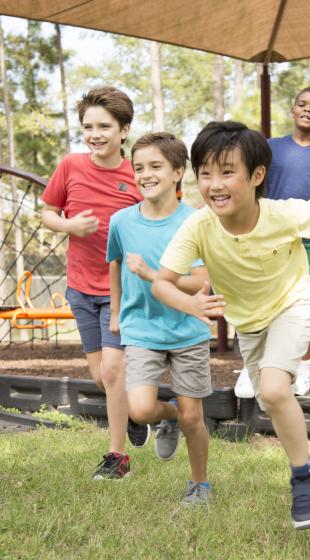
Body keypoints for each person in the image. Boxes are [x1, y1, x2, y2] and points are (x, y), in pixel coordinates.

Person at [152, 121, 310, 529]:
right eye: (204, 173)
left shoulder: (284, 213)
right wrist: (190, 302)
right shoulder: (199, 226)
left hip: (295, 302)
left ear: (257, 175)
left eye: (227, 172)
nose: (214, 184)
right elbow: (161, 283)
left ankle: (302, 483)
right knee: (270, 400)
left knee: (277, 388)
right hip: (250, 321)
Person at [41, 86, 149, 480]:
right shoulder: (70, 166)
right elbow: (48, 212)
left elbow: (161, 218)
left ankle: (117, 456)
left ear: (124, 130)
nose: (95, 133)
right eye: (88, 126)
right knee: (100, 375)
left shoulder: (139, 174)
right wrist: (69, 225)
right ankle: (136, 417)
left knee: (113, 371)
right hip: (80, 286)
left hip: (122, 291)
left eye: (104, 126)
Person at [107, 132, 216, 505]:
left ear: (178, 172)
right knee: (138, 408)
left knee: (194, 418)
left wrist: (154, 275)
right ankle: (167, 417)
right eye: (139, 167)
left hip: (187, 329)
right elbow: (115, 263)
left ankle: (200, 484)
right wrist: (117, 310)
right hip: (141, 328)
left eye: (156, 166)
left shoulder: (196, 221)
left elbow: (201, 283)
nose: (145, 174)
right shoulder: (121, 221)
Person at [234, 86, 310, 398]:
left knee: (308, 308)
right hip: (271, 239)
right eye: (302, 104)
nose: (307, 109)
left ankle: (302, 369)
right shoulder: (271, 148)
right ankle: (252, 367)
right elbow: (252, 188)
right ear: (293, 110)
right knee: (261, 302)